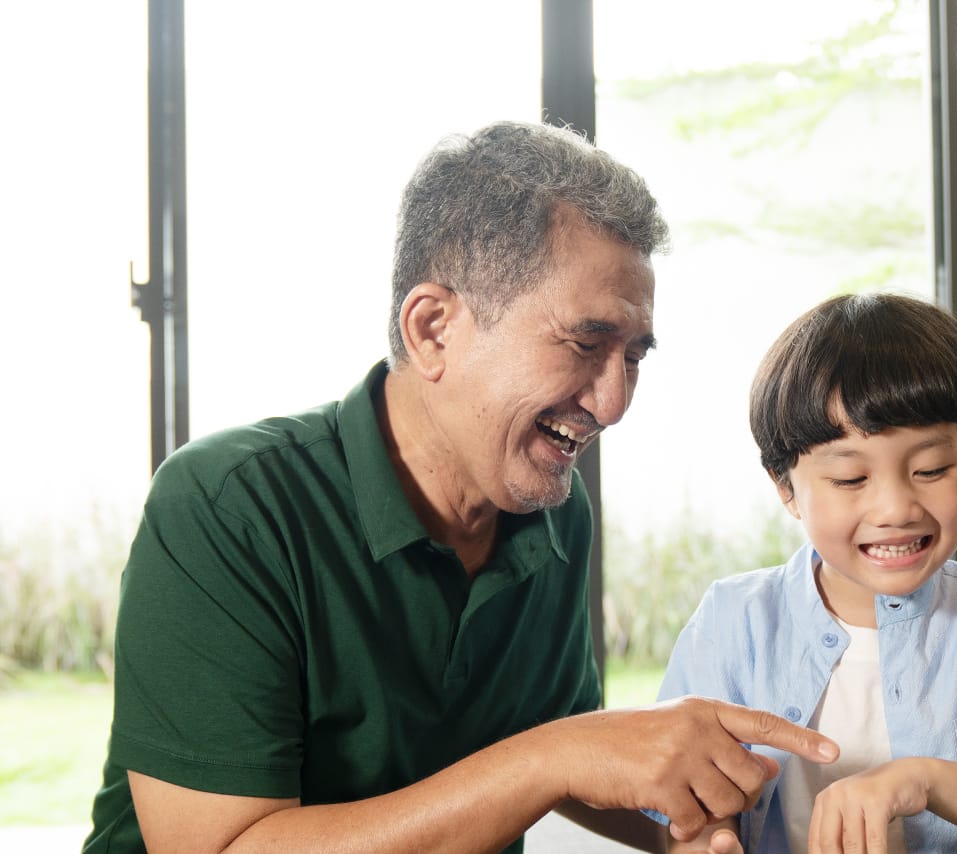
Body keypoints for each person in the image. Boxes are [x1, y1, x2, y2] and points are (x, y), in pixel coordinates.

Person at [83, 120, 838, 854]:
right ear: (433, 329)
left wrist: (679, 832)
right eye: (585, 343)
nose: (612, 403)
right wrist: (558, 754)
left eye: (633, 356)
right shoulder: (227, 506)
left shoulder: (551, 510)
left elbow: (569, 767)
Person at [650, 293, 957, 854]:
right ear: (785, 487)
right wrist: (705, 839)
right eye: (849, 478)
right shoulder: (731, 620)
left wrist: (922, 780)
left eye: (931, 469)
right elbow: (683, 800)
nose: (895, 508)